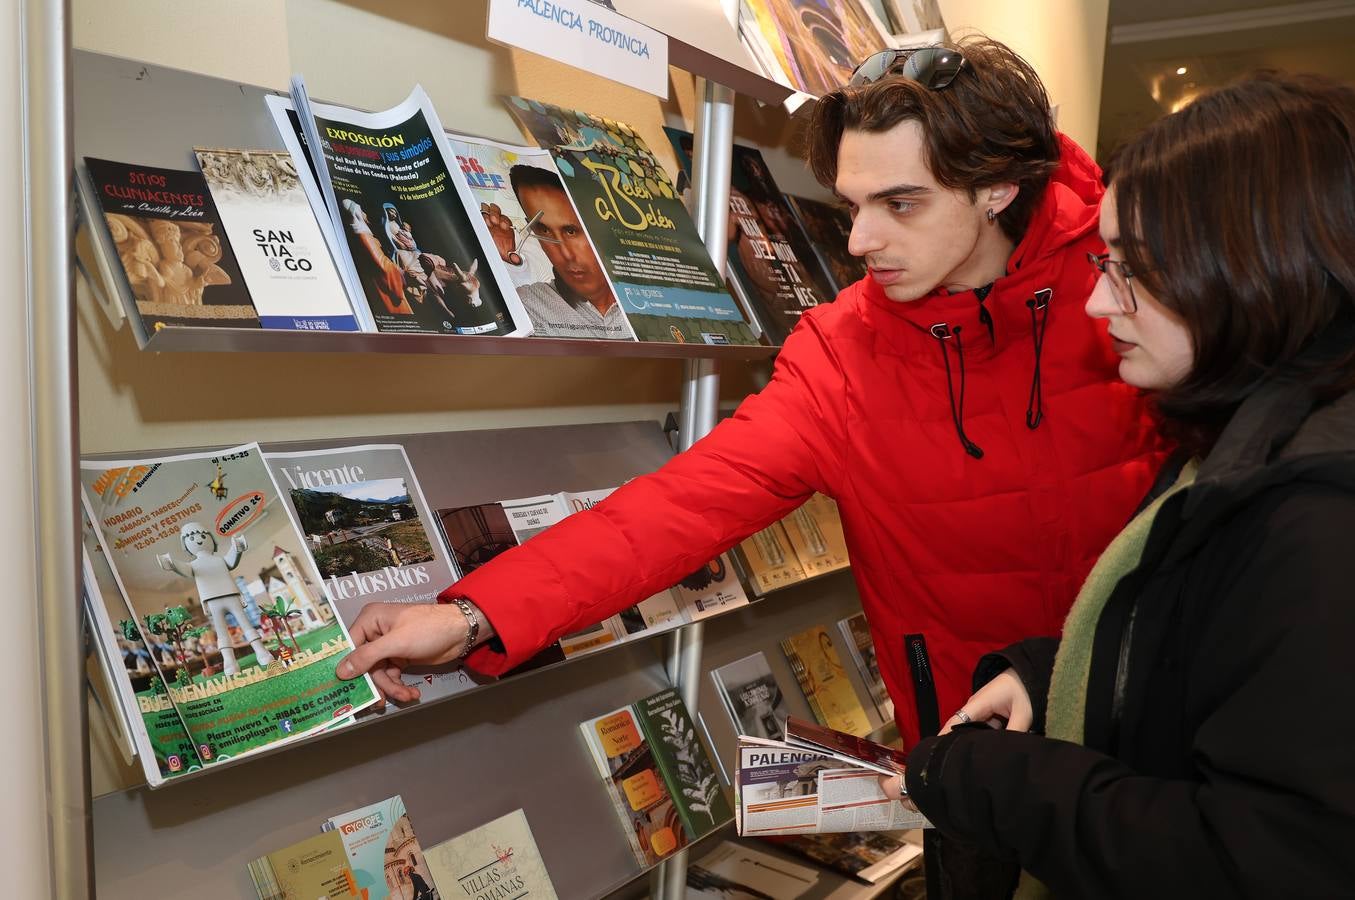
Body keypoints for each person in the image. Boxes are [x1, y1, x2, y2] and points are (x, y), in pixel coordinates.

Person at [338, 33, 1162, 794]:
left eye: (900, 204)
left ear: (996, 189)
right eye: (851, 206)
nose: (862, 242)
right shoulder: (844, 351)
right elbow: (676, 509)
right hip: (967, 753)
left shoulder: (1140, 296)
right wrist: (473, 613)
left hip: (1152, 721)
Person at [893, 71, 1355, 898]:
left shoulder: (1320, 518)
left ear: (1255, 265)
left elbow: (1263, 862)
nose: (1099, 303)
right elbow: (1208, 664)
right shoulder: (1245, 439)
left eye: (1132, 268)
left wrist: (999, 783)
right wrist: (1048, 678)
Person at [480, 164, 630, 339]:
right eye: (543, 230)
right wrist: (505, 265)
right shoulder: (531, 302)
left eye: (571, 231)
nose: (566, 255)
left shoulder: (650, 300)